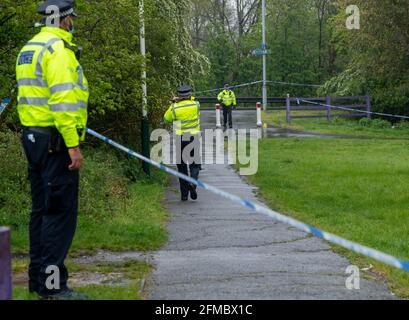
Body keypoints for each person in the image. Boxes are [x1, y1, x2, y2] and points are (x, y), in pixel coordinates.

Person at [16, 0, 88, 300]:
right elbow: (62, 101)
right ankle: (54, 286)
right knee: (59, 214)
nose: (72, 23)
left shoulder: (29, 49)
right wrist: (72, 143)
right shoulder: (57, 51)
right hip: (56, 143)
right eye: (70, 18)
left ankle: (37, 280)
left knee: (41, 211)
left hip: (33, 138)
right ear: (64, 20)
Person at [164, 85, 201, 201]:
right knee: (195, 164)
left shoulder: (174, 108)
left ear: (179, 95)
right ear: (189, 94)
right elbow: (194, 100)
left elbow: (166, 119)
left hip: (180, 139)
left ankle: (184, 195)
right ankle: (193, 183)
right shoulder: (196, 105)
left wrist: (173, 103)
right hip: (193, 137)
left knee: (182, 166)